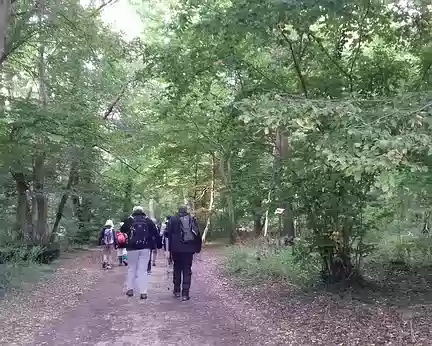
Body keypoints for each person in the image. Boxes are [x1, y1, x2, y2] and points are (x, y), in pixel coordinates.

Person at [120, 206, 159, 300]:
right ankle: (143, 292)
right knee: (143, 270)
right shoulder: (148, 220)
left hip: (132, 248)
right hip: (145, 248)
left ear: (133, 212)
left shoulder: (130, 220)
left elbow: (122, 230)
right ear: (142, 211)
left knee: (131, 269)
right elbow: (155, 233)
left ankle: (130, 289)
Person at [167, 207, 202, 301]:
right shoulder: (191, 219)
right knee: (187, 269)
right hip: (188, 249)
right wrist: (197, 248)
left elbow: (167, 234)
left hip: (176, 249)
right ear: (186, 211)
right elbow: (197, 234)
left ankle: (177, 290)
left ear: (178, 211)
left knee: (177, 268)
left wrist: (169, 249)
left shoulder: (173, 219)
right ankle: (185, 294)